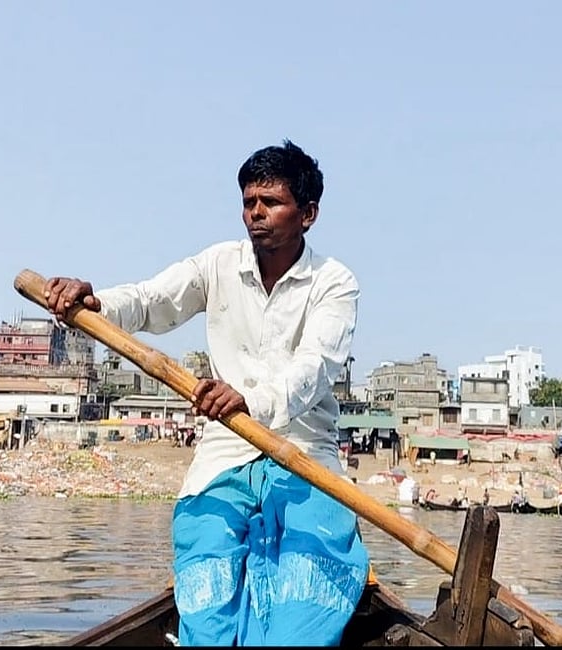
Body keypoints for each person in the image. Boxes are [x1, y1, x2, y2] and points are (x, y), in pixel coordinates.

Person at [43, 141, 368, 646]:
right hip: (225, 455)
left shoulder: (334, 282)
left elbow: (316, 367)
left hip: (306, 456)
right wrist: (96, 302)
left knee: (305, 606)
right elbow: (154, 300)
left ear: (308, 214)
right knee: (207, 597)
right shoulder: (219, 264)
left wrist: (249, 402)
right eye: (248, 202)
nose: (255, 214)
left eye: (270, 203)